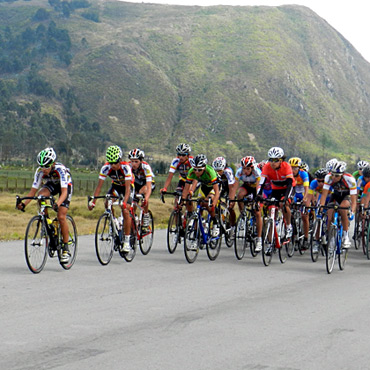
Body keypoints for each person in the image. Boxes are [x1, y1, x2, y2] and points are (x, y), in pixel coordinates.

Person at [17, 147, 73, 263]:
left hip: (65, 187)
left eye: (46, 166)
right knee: (40, 195)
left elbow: (64, 192)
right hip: (52, 184)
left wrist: (57, 204)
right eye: (41, 166)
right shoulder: (39, 172)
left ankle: (66, 249)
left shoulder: (60, 170)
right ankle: (46, 220)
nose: (44, 169)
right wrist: (24, 204)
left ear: (52, 164)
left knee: (61, 216)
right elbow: (32, 192)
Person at [88, 145, 133, 252]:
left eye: (115, 162)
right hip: (116, 186)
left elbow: (127, 189)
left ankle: (126, 241)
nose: (113, 165)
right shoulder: (105, 168)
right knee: (107, 202)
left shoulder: (126, 168)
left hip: (127, 187)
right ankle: (113, 221)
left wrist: (125, 202)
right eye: (110, 162)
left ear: (120, 160)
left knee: (126, 210)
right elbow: (99, 187)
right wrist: (93, 202)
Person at [257, 147, 296, 241]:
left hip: (288, 188)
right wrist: (258, 195)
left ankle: (289, 226)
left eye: (276, 160)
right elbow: (262, 182)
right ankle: (270, 240)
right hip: (276, 189)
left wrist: (286, 197)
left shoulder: (286, 166)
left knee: (284, 203)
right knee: (271, 211)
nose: (273, 163)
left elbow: (290, 183)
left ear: (281, 160)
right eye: (271, 160)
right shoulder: (267, 167)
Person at [319, 160, 357, 249]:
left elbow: (353, 198)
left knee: (343, 208)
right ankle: (330, 236)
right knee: (330, 212)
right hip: (335, 195)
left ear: (342, 174)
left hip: (346, 196)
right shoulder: (328, 178)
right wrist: (321, 207)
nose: (334, 177)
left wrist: (353, 211)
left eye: (337, 175)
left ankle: (345, 236)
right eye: (332, 174)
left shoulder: (350, 179)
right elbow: (324, 195)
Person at [182, 154, 220, 238]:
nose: (196, 172)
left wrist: (213, 203)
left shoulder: (210, 172)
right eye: (195, 169)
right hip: (203, 187)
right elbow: (186, 188)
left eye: (199, 170)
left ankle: (215, 224)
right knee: (198, 206)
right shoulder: (191, 171)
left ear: (204, 168)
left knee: (208, 204)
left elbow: (217, 191)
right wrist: (184, 199)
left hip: (213, 188)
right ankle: (196, 233)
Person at [234, 156, 263, 251]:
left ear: (252, 167)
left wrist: (257, 199)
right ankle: (243, 215)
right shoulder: (239, 172)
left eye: (248, 168)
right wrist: (231, 198)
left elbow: (258, 187)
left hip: (256, 188)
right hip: (247, 186)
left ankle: (259, 240)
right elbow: (235, 186)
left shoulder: (257, 172)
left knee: (257, 212)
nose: (245, 171)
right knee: (239, 195)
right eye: (244, 168)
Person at [128, 148, 155, 231]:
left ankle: (146, 217)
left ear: (141, 161)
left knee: (142, 193)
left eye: (136, 161)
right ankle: (133, 217)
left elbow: (149, 186)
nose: (134, 164)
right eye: (132, 161)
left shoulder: (145, 167)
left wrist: (146, 198)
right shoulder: (128, 166)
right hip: (136, 183)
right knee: (133, 200)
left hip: (147, 183)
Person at [288, 157, 310, 249]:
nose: (293, 170)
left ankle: (306, 238)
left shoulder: (303, 173)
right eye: (291, 168)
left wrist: (305, 198)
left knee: (305, 216)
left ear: (299, 168)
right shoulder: (288, 174)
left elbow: (306, 188)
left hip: (302, 193)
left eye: (295, 168)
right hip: (294, 192)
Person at [212, 156, 237, 228]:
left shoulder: (227, 171)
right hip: (221, 185)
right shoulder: (214, 172)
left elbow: (231, 186)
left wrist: (231, 198)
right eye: (216, 171)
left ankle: (233, 224)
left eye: (220, 171)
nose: (218, 173)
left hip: (230, 186)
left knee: (230, 207)